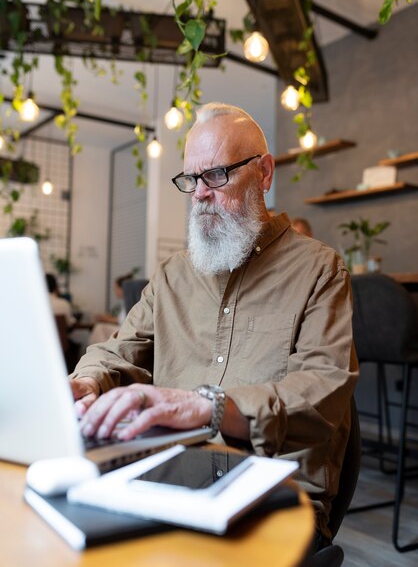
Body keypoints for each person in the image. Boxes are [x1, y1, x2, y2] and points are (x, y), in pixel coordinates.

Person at [69, 102, 358, 549]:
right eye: (190, 179)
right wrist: (87, 382)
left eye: (217, 175)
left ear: (264, 173)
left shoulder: (320, 270)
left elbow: (325, 390)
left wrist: (211, 407)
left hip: (276, 488)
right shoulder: (171, 276)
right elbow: (116, 351)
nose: (200, 193)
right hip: (170, 472)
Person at [87, 273, 133, 345]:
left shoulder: (130, 301)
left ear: (122, 288)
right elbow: (121, 318)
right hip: (122, 329)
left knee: (100, 328)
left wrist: (104, 319)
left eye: (115, 288)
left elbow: (122, 320)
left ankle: (99, 352)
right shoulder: (125, 301)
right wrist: (105, 317)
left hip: (125, 331)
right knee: (100, 328)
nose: (115, 291)